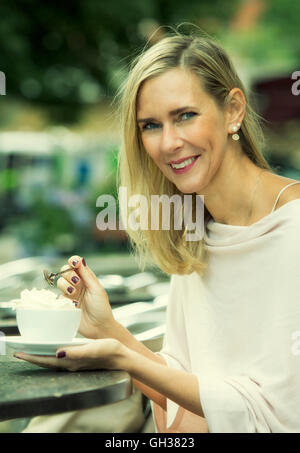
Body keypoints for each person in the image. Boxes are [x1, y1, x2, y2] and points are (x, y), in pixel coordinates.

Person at [15, 32, 300, 433]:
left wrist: (125, 358)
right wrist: (107, 331)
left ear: (233, 110)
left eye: (185, 115)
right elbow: (186, 382)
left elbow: (282, 415)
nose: (169, 143)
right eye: (150, 125)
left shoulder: (293, 230)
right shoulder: (195, 232)